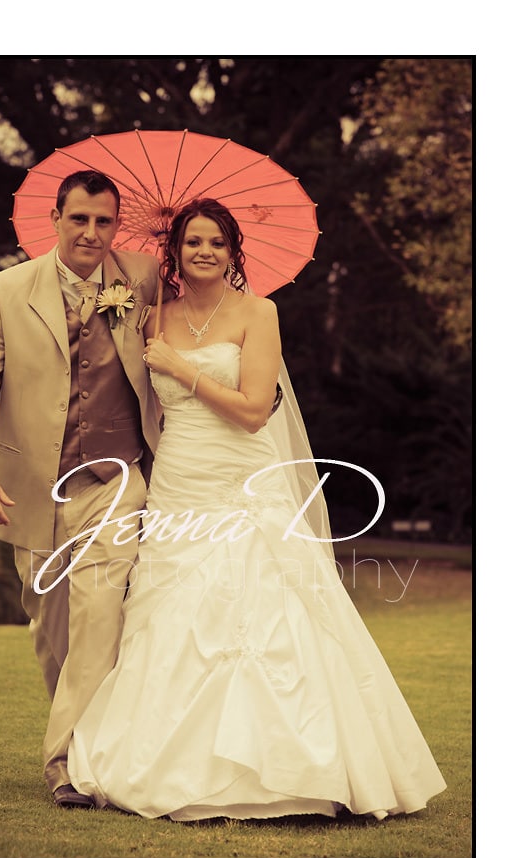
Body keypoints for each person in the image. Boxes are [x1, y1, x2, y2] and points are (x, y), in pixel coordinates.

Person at [66, 197, 447, 822]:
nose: (204, 251)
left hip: (242, 478)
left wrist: (182, 369)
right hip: (179, 483)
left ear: (232, 251)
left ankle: (293, 768)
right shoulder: (152, 318)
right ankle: (165, 762)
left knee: (263, 606)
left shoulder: (258, 313)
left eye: (217, 242)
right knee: (171, 612)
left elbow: (252, 411)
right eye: (193, 241)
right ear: (175, 251)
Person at [0, 170, 168, 809]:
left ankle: (68, 764)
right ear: (56, 219)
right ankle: (80, 741)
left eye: (104, 221)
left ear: (117, 225)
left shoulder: (144, 279)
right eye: (80, 219)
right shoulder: (5, 290)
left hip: (116, 481)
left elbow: (203, 308)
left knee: (100, 616)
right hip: (32, 489)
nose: (92, 233)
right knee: (55, 631)